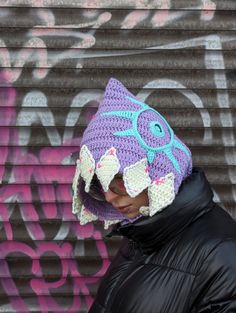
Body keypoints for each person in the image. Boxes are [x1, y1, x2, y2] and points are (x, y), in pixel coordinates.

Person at [72, 78, 236, 313]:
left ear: (157, 171)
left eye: (119, 181)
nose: (108, 197)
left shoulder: (223, 255)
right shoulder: (141, 232)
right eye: (100, 183)